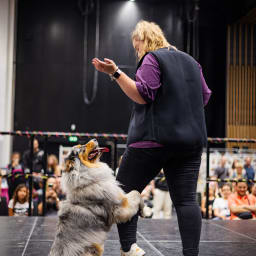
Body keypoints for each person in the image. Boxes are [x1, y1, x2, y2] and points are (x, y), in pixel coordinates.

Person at [92, 20, 211, 256]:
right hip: (189, 142)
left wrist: (115, 73)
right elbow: (204, 97)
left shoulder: (153, 58)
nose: (137, 51)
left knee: (126, 193)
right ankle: (191, 253)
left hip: (152, 140)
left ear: (145, 40)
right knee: (187, 201)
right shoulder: (191, 62)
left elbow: (143, 94)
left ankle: (129, 249)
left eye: (137, 46)